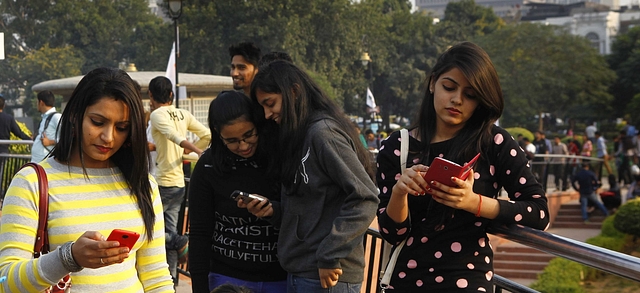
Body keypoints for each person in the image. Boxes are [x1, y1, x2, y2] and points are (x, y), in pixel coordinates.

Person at [374, 42, 549, 292]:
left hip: (467, 280)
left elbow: (539, 213)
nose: (457, 100)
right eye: (449, 87)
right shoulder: (397, 146)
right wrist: (400, 191)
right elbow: (392, 233)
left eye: (470, 95)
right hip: (406, 281)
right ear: (432, 83)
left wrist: (473, 202)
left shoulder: (494, 143)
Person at [0, 67, 174, 292]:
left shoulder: (143, 184)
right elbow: (5, 281)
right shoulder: (31, 182)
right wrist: (68, 258)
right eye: (97, 122)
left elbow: (156, 276)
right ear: (75, 116)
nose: (108, 137)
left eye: (122, 128)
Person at [248, 61, 380, 292]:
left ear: (294, 92)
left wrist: (330, 254)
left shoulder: (323, 133)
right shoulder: (300, 135)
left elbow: (365, 197)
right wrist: (274, 211)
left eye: (270, 104)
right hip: (306, 271)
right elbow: (314, 207)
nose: (268, 114)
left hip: (328, 275)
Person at [189, 91, 286, 293]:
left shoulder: (280, 157)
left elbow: (301, 211)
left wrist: (273, 211)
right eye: (231, 140)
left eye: (249, 135)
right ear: (217, 133)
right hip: (226, 279)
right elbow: (199, 233)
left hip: (280, 278)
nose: (243, 146)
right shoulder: (208, 166)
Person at [148, 75, 212, 284]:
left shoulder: (157, 115)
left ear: (150, 95)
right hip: (178, 184)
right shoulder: (183, 114)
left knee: (150, 228)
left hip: (163, 182)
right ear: (171, 95)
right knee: (169, 230)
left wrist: (192, 150)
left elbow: (173, 136)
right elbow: (207, 134)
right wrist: (189, 154)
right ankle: (172, 279)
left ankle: (181, 241)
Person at [31, 90, 61, 163]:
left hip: (46, 163)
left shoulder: (57, 117)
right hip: (39, 162)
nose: (36, 104)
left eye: (37, 102)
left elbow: (69, 138)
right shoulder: (45, 117)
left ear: (41, 102)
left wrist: (50, 142)